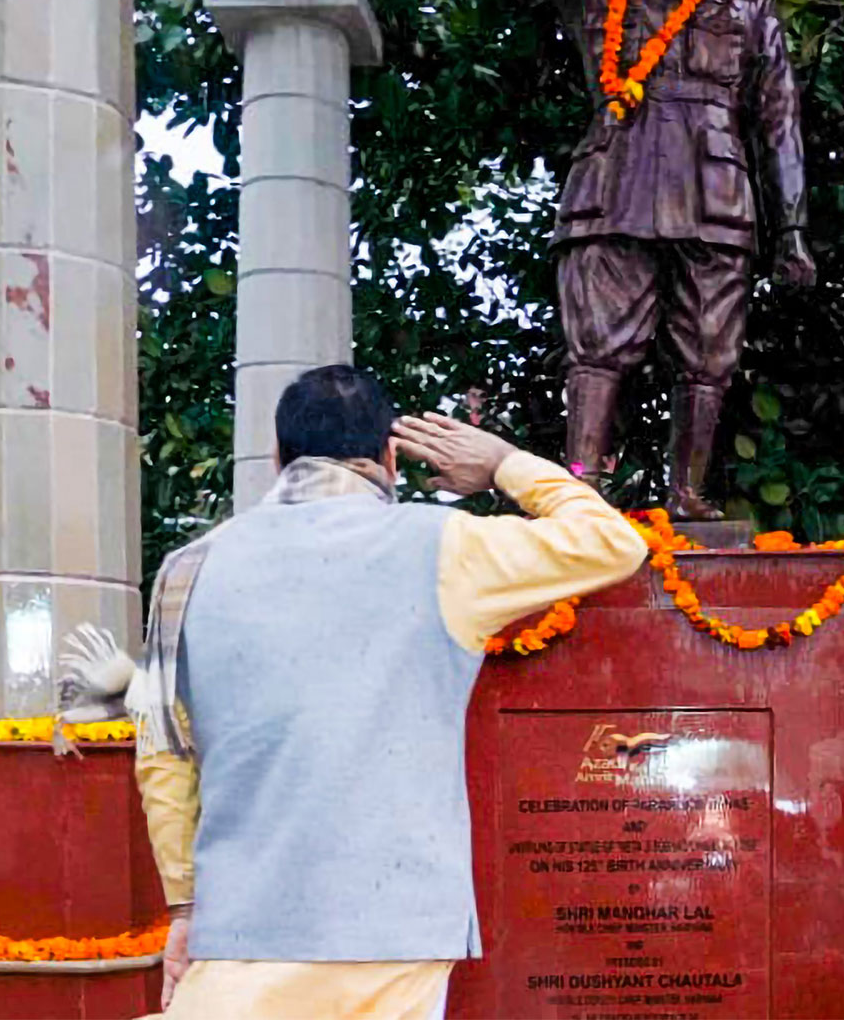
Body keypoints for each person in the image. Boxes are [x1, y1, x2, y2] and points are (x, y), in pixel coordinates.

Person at [73, 365, 647, 1018]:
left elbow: (165, 754)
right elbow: (612, 544)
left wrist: (183, 907)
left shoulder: (188, 570)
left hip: (246, 929)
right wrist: (504, 463)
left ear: (278, 456)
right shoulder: (444, 547)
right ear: (390, 456)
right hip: (401, 931)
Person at [434, 0, 817, 519]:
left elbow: (779, 122)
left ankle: (688, 493)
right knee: (599, 347)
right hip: (617, 182)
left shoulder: (750, 4)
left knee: (710, 354)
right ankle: (581, 482)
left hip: (717, 193)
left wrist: (791, 230)